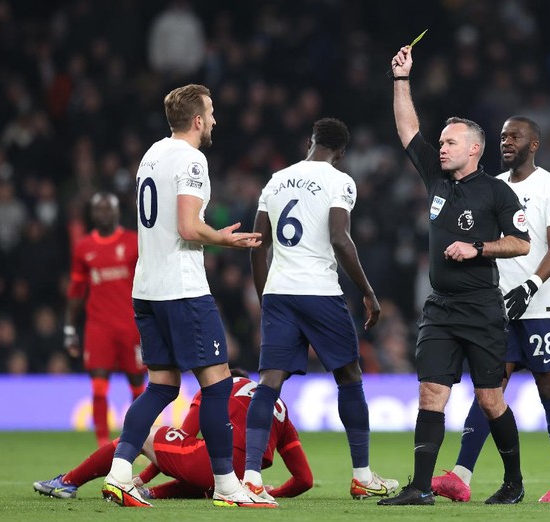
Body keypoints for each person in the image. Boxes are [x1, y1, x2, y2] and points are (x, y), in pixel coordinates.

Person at [100, 83, 272, 509]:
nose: (214, 120)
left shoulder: (151, 154)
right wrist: (225, 240)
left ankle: (120, 473)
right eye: (211, 113)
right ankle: (228, 486)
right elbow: (188, 228)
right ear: (197, 120)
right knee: (217, 386)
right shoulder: (193, 159)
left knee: (160, 387)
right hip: (182, 289)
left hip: (147, 289)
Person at [378, 46, 531, 507]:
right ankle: (421, 487)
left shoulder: (497, 192)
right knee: (430, 392)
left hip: (482, 307)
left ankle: (514, 482)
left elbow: (521, 243)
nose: (441, 147)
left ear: (474, 149)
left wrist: (477, 247)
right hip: (440, 308)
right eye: (441, 142)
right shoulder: (437, 180)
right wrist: (401, 79)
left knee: (489, 400)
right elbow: (408, 129)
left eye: (450, 142)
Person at [244, 117, 398, 502]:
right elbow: (340, 238)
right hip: (318, 292)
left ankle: (249, 479)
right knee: (349, 375)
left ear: (310, 141)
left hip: (279, 293)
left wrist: (265, 297)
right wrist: (368, 292)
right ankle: (362, 475)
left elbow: (257, 244)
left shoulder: (276, 179)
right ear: (341, 152)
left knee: (268, 383)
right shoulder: (340, 181)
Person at [432, 116, 550, 503]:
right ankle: (461, 475)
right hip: (499, 307)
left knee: (549, 384)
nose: (506, 142)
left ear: (534, 144)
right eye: (502, 136)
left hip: (542, 302)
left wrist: (531, 285)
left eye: (515, 136)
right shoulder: (492, 187)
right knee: (489, 388)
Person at [33, 370, 313, 500]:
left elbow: (183, 435)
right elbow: (305, 480)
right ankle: (150, 493)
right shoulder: (277, 406)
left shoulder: (216, 387)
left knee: (145, 435)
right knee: (204, 466)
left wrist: (142, 474)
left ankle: (67, 483)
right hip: (241, 479)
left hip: (213, 466)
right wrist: (269, 491)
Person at [64, 192, 145, 448]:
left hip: (131, 325)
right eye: (98, 210)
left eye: (107, 209)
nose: (103, 214)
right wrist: (69, 328)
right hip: (98, 327)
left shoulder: (134, 242)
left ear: (117, 211)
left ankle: (138, 439)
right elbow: (76, 290)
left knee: (138, 386)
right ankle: (102, 443)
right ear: (92, 214)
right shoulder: (84, 247)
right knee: (99, 386)